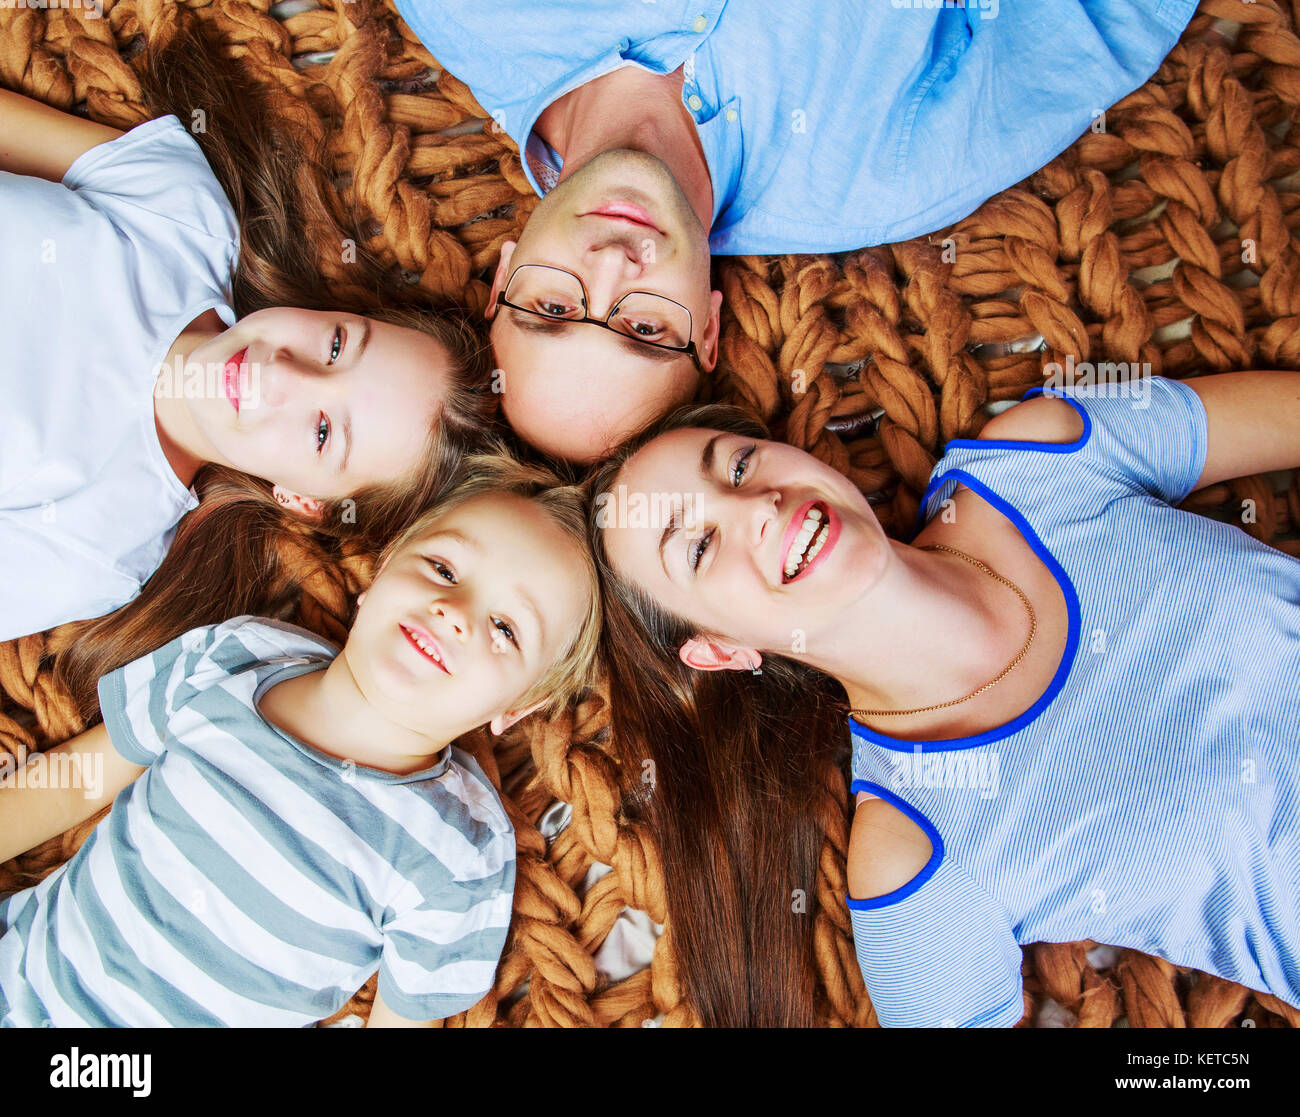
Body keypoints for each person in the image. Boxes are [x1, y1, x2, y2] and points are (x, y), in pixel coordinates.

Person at [585, 369, 1300, 1026]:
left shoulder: (1035, 457)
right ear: (722, 651)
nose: (759, 506)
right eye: (701, 546)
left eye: (738, 464)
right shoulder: (912, 851)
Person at [394, 0, 1198, 462]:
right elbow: (1103, 22)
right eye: (643, 326)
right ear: (707, 328)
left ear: (503, 280)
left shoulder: (473, 15)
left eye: (553, 310)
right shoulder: (885, 167)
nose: (608, 263)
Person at [0, 453, 602, 1027]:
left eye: (504, 628)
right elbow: (69, 786)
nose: (455, 611)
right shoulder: (238, 656)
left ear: (517, 707)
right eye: (443, 569)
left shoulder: (459, 852)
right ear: (384, 569)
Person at [0, 19, 494, 644]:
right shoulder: (186, 217)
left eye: (322, 432)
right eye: (337, 346)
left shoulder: (96, 545)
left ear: (301, 499)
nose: (282, 373)